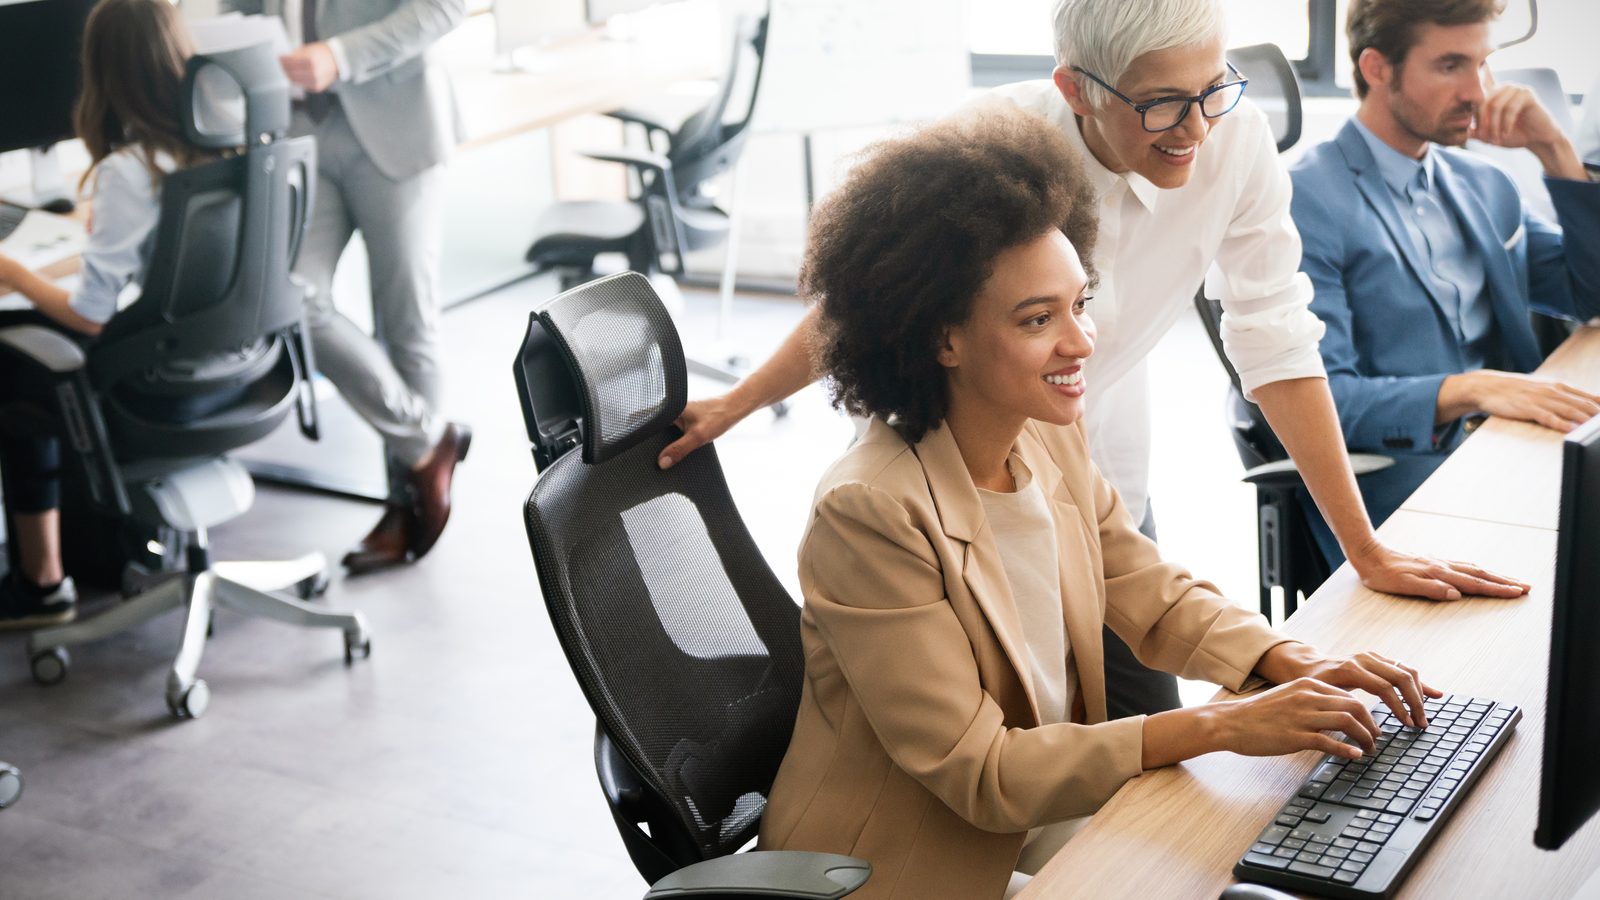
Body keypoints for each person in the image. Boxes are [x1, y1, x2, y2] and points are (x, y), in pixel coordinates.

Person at [655, 0, 1528, 722]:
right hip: (956, 452)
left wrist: (1361, 551)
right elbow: (866, 302)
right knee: (998, 712)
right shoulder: (988, 147)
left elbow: (1276, 337)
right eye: (1160, 103)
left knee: (1137, 700)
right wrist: (738, 405)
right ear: (1076, 87)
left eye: (1210, 89)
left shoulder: (1233, 139)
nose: (1194, 129)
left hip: (1090, 451)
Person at [758, 107, 1443, 900]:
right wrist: (1221, 726)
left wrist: (1284, 661)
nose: (1081, 342)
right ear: (940, 338)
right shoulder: (869, 513)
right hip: (916, 865)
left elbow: (1146, 588)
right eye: (1038, 319)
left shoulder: (1045, 436)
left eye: (1078, 303)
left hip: (1044, 814)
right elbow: (982, 773)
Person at [1289, 0, 1600, 561]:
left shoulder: (1484, 182)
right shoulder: (1306, 200)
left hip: (1517, 452)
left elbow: (1591, 292)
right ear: (1377, 69)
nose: (1478, 92)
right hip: (1408, 488)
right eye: (1451, 65)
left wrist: (1554, 150)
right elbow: (1319, 399)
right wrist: (1469, 388)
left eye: (1483, 64)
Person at [218, 0, 471, 574]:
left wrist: (341, 55)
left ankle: (405, 505)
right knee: (289, 296)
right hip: (298, 128)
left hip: (394, 123)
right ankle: (427, 444)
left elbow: (446, 7)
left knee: (405, 321)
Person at [0, 0, 218, 626]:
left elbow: (91, 316)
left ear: (102, 72)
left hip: (155, 395)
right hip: (232, 373)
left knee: (17, 361)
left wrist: (16, 273)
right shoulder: (219, 141)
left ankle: (42, 583)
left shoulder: (129, 171)